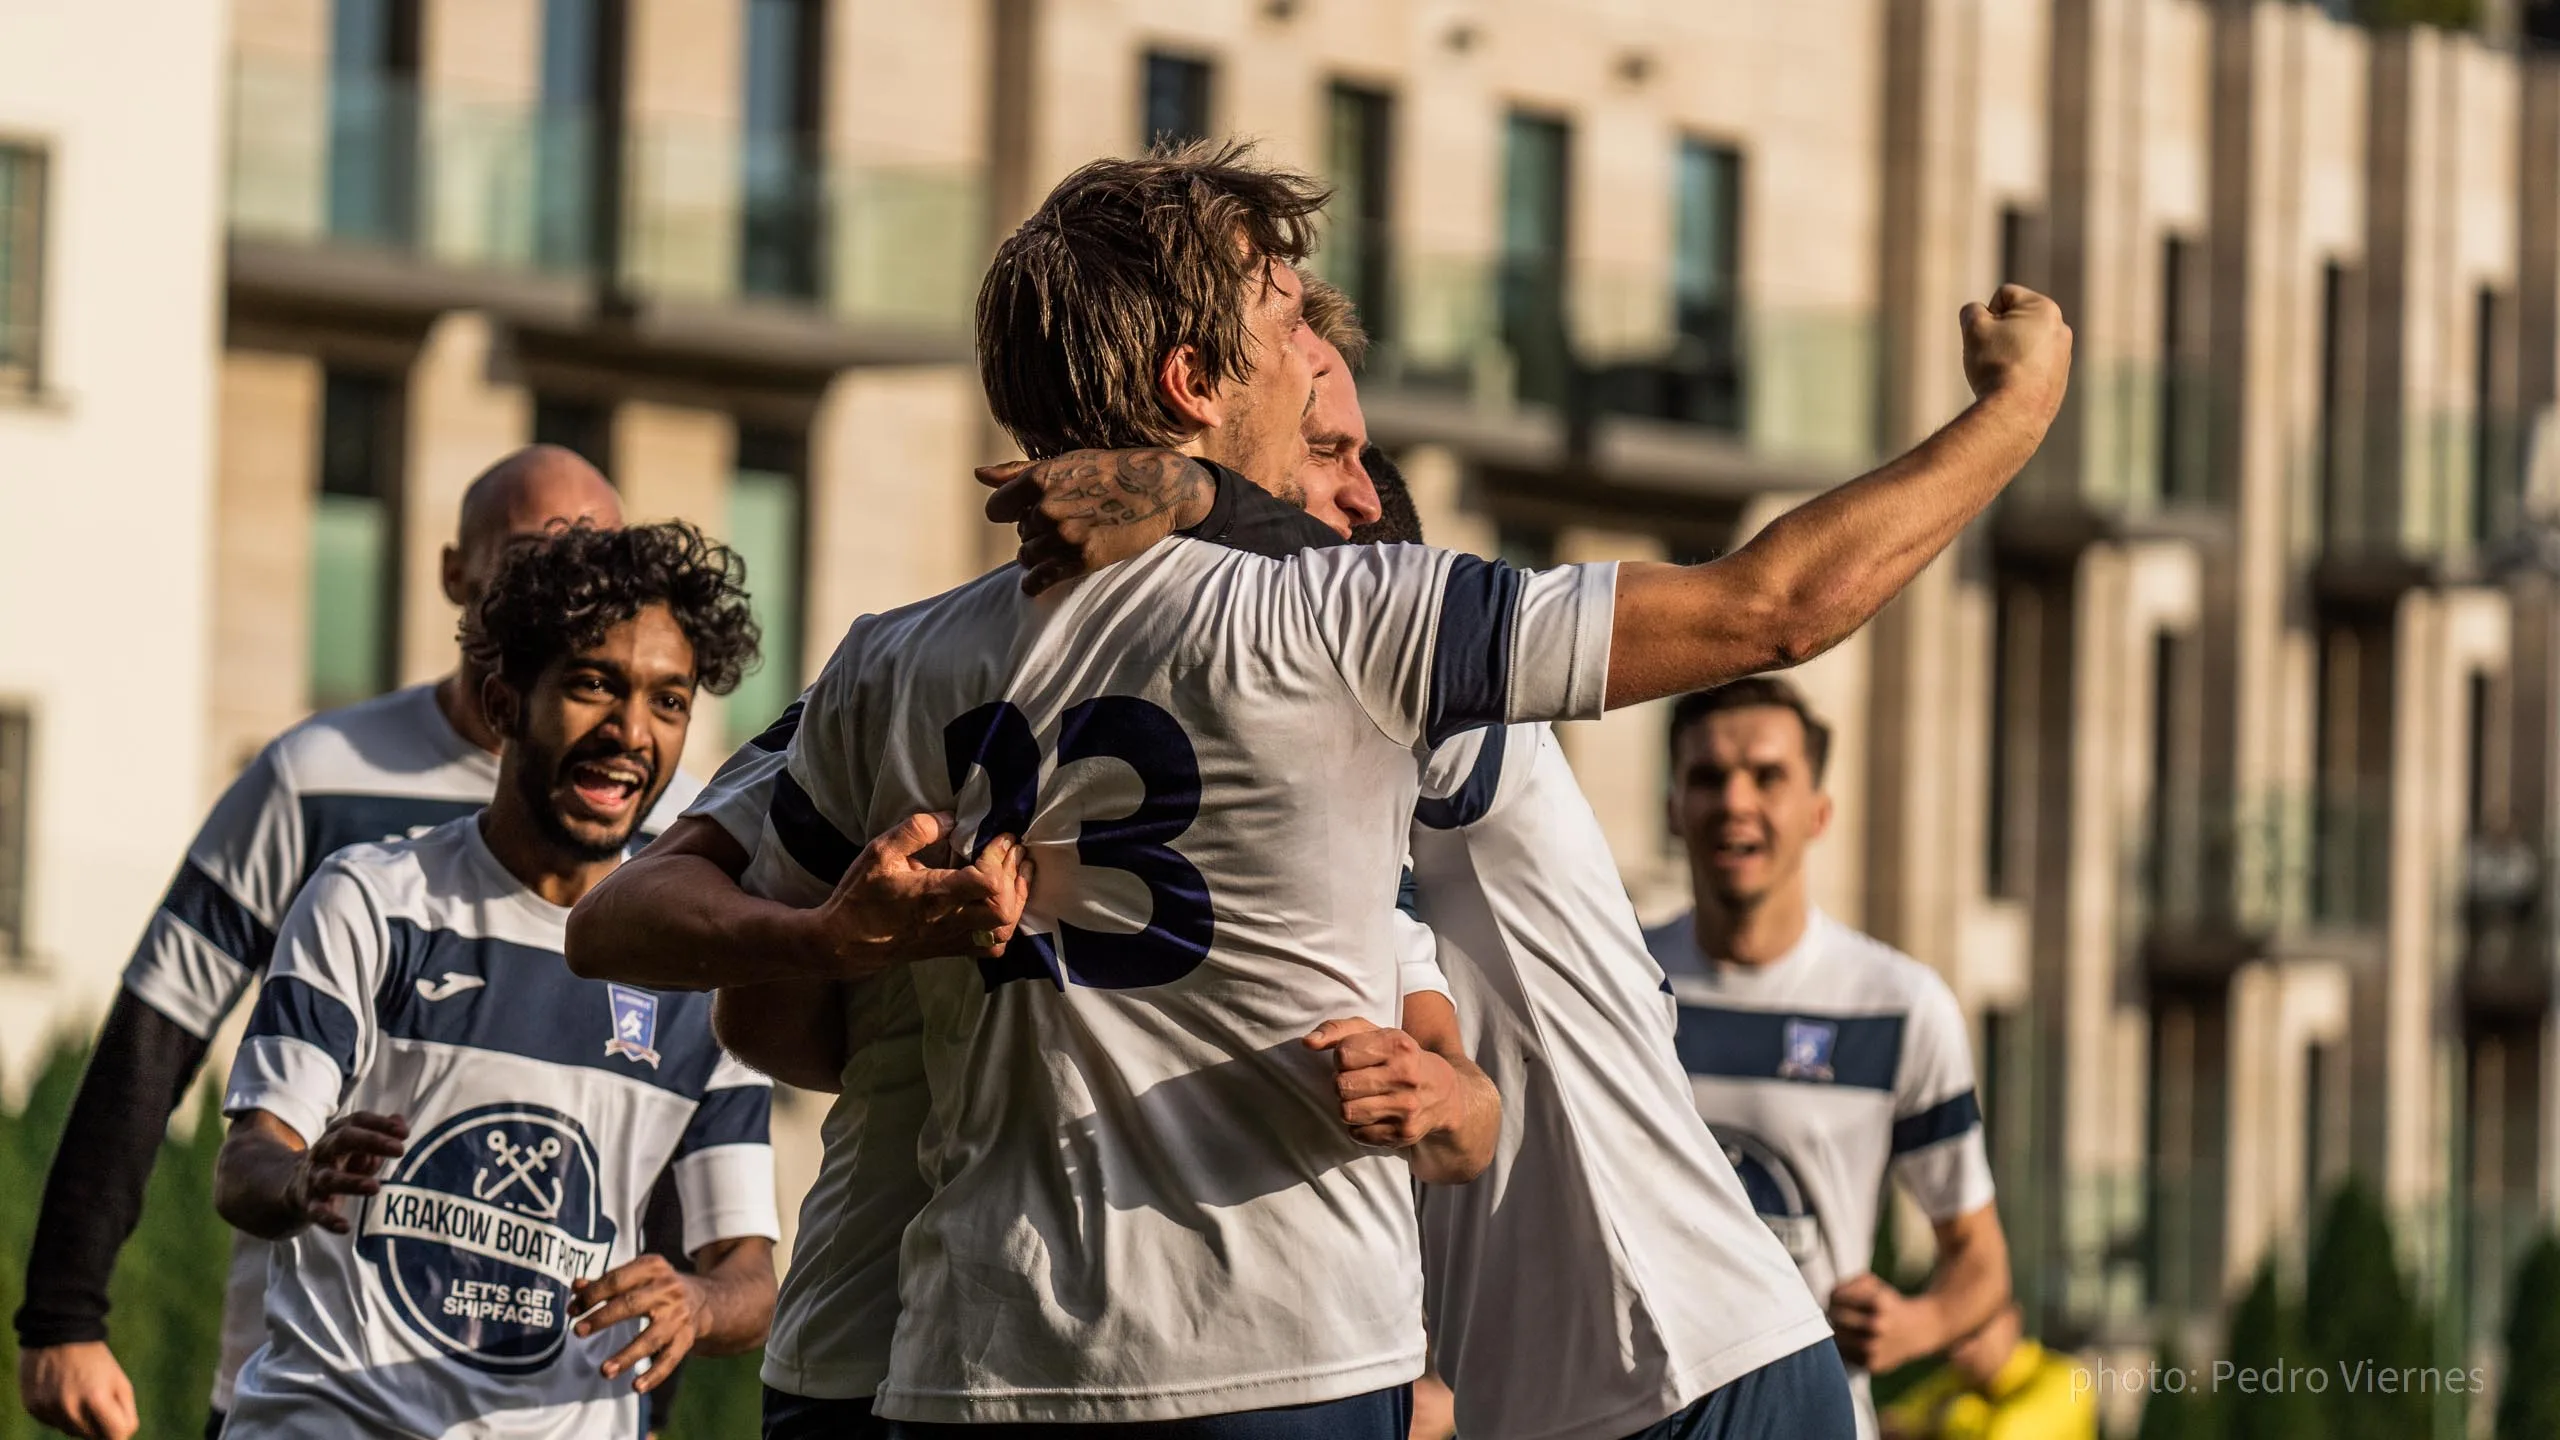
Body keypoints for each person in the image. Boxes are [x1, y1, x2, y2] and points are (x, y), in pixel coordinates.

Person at [571, 137, 2068, 1436]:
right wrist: (2018, 411)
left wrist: (830, 944)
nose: (1353, 478)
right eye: (1293, 338)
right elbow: (1770, 609)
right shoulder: (1350, 637)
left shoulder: (904, 660)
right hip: (1255, 1351)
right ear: (1194, 381)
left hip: (1001, 1359)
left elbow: (1457, 1101)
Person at [12, 446, 714, 1440]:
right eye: (529, 561)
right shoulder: (319, 775)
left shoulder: (680, 825)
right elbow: (156, 1031)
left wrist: (651, 1403)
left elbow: (671, 1137)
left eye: (594, 560)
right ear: (456, 576)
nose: (568, 586)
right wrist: (64, 1316)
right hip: (305, 1379)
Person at [210, 521, 780, 1438]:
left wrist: (699, 1305)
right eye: (594, 684)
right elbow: (245, 1164)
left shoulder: (702, 967)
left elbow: (748, 1269)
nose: (631, 733)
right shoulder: (372, 900)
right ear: (504, 701)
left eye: (668, 703)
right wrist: (300, 1178)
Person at [1644, 678, 2014, 1440]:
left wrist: (1915, 1324)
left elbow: (1980, 1261)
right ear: (1673, 809)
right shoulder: (1617, 987)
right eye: (1708, 777)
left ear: (1820, 811)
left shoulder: (1899, 1005)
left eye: (1767, 776)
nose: (1736, 801)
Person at [1878, 1307, 2096, 1440]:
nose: (1961, 1350)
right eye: (1953, 1337)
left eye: (1974, 1332)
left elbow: (2002, 1435)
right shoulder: (1959, 1379)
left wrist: (1948, 1415)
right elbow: (1889, 1426)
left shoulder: (2068, 1379)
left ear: (2012, 1320)